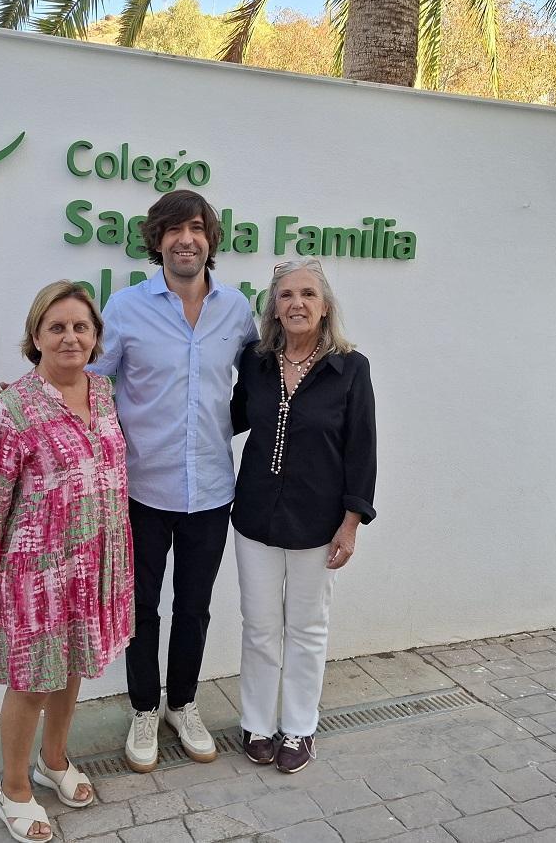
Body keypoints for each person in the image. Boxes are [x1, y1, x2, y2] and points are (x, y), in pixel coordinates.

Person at [0, 280, 133, 843]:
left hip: (94, 562)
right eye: (56, 327)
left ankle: (53, 762)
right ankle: (13, 789)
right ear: (36, 337)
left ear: (96, 337)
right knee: (31, 681)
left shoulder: (103, 393)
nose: (70, 336)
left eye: (81, 326)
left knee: (72, 667)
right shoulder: (13, 406)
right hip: (37, 571)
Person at [91, 189, 259, 772]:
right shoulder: (125, 308)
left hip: (212, 489)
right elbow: (92, 383)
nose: (185, 239)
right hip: (141, 489)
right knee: (141, 607)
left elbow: (259, 382)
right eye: (173, 230)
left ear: (210, 239)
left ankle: (182, 703)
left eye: (196, 228)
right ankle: (143, 707)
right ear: (156, 240)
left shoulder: (237, 310)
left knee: (195, 607)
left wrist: (227, 424)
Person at [229, 257, 377, 774]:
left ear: (325, 306)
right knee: (261, 626)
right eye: (286, 295)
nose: (296, 303)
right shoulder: (257, 361)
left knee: (308, 628)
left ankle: (298, 727)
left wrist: (351, 521)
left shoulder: (349, 368)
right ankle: (256, 722)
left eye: (307, 294)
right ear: (274, 306)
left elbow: (362, 448)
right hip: (255, 517)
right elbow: (225, 416)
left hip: (319, 522)